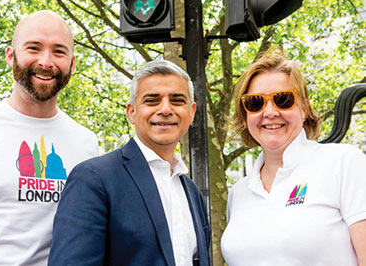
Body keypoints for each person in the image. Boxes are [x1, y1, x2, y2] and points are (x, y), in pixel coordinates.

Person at [0, 10, 99, 266]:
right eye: (34, 48)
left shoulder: (87, 144)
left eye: (58, 51)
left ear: (73, 63)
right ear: (11, 56)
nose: (46, 62)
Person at [48, 60, 211, 266]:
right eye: (152, 100)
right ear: (131, 112)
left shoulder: (191, 191)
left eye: (177, 101)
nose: (165, 109)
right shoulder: (94, 179)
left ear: (192, 112)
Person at [221, 50, 366, 266]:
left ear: (304, 107)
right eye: (255, 103)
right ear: (245, 114)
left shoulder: (344, 163)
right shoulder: (238, 193)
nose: (269, 112)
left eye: (283, 100)